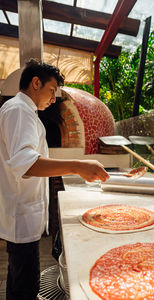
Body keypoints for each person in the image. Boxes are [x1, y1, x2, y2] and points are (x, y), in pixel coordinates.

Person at [0, 59, 109, 300]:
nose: (52, 99)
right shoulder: (19, 110)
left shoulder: (24, 111)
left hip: (22, 213)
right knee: (24, 287)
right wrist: (78, 166)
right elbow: (27, 164)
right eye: (51, 91)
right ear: (35, 83)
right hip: (20, 215)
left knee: (22, 279)